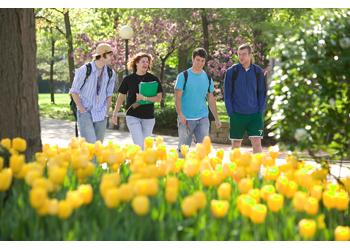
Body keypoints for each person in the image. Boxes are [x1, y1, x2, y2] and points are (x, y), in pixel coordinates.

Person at [174, 48, 221, 154]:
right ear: (193, 59)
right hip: (186, 119)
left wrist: (217, 118)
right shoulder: (183, 76)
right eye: (198, 60)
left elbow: (211, 100)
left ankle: (201, 170)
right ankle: (179, 170)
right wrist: (180, 114)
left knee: (204, 150)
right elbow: (177, 98)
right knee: (183, 150)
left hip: (203, 118)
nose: (200, 63)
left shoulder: (208, 78)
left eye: (202, 61)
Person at [112, 52, 162, 149]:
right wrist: (115, 112)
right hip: (132, 115)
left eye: (147, 62)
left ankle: (141, 163)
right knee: (139, 144)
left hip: (148, 117)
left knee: (147, 147)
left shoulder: (153, 79)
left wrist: (144, 98)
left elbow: (159, 98)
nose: (145, 64)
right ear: (136, 63)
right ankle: (138, 162)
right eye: (143, 61)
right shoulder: (128, 79)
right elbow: (121, 96)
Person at [224, 44, 267, 153]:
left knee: (257, 143)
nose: (241, 57)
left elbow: (262, 93)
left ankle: (257, 170)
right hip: (237, 115)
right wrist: (231, 112)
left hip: (255, 116)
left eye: (244, 54)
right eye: (239, 54)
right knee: (236, 145)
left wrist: (260, 111)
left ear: (250, 55)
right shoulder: (231, 72)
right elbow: (227, 94)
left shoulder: (258, 72)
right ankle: (234, 170)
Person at [69, 43, 116, 144]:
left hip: (101, 113)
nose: (112, 56)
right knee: (89, 145)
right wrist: (82, 109)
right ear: (103, 55)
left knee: (98, 147)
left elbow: (109, 94)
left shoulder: (111, 73)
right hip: (86, 112)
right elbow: (74, 91)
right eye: (110, 54)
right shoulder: (85, 70)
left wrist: (106, 111)